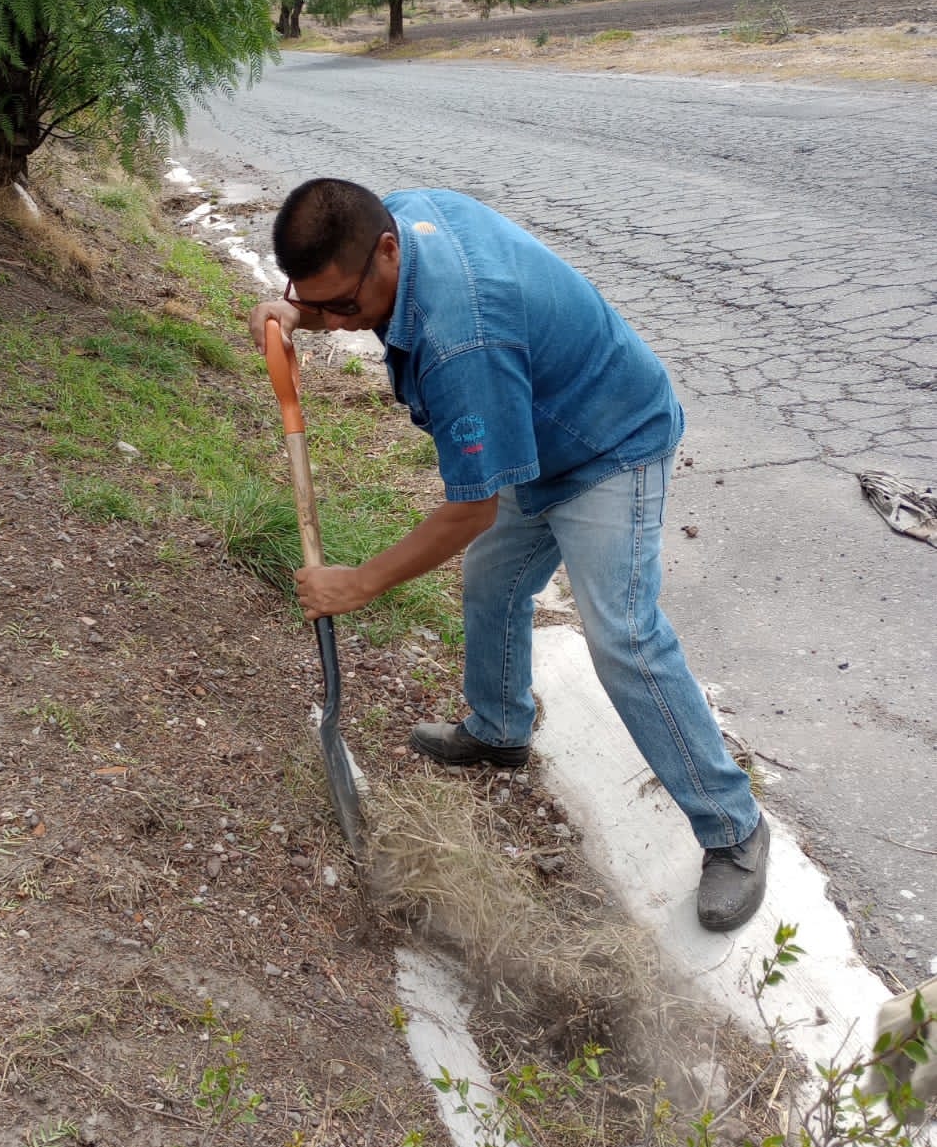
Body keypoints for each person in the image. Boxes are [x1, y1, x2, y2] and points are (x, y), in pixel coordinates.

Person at [249, 178, 769, 933]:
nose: (335, 321)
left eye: (343, 308)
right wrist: (297, 308)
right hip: (535, 432)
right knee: (493, 581)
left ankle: (733, 827)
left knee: (622, 634)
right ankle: (498, 729)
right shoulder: (400, 216)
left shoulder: (464, 341)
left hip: (609, 443)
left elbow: (469, 509)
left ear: (387, 251)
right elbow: (348, 292)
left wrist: (357, 584)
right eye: (316, 301)